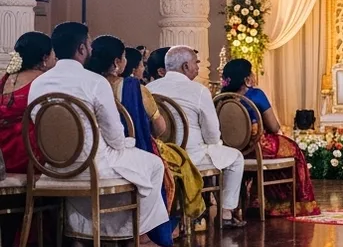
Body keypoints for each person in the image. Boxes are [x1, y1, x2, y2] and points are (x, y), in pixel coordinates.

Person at [26, 22, 171, 247]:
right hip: (93, 165)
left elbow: (36, 122)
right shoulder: (94, 82)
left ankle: (81, 237)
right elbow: (114, 134)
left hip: (54, 167)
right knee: (152, 165)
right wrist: (124, 145)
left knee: (114, 165)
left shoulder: (38, 83)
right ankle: (139, 237)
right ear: (82, 49)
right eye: (89, 44)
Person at [148, 46, 246, 228]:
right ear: (185, 66)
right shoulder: (199, 91)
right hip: (190, 156)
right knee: (235, 158)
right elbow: (212, 134)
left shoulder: (149, 88)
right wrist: (214, 143)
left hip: (160, 155)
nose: (197, 67)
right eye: (196, 63)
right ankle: (225, 213)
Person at [115, 44, 207, 228]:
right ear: (123, 64)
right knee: (173, 160)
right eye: (141, 65)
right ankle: (158, 228)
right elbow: (160, 128)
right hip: (135, 149)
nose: (143, 68)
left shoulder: (101, 85)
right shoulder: (138, 90)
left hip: (98, 152)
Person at [220, 59, 320, 217]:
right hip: (257, 147)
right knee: (295, 151)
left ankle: (257, 202)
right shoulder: (256, 94)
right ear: (246, 79)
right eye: (251, 72)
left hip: (230, 149)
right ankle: (280, 204)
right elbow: (273, 127)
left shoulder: (220, 98)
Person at [0, 32, 53, 177]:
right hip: (25, 152)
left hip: (2, 151)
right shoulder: (43, 80)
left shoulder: (7, 77)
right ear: (44, 57)